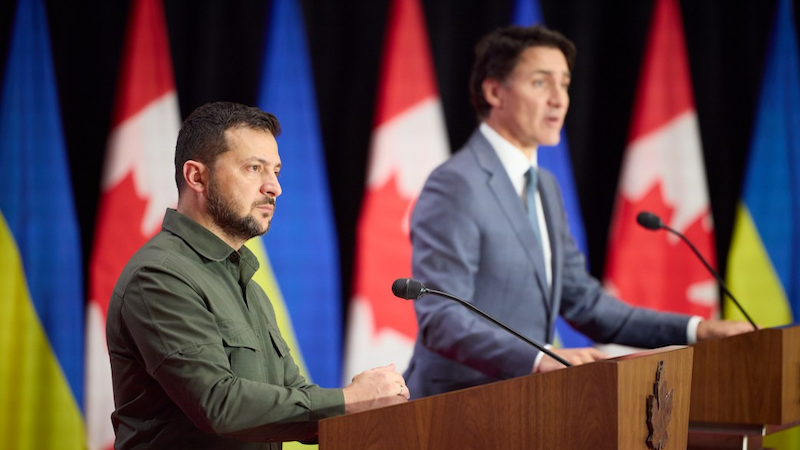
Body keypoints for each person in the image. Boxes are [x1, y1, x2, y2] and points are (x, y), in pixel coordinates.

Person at [403, 25, 753, 399]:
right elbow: (441, 318)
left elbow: (585, 305)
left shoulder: (546, 188)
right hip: (456, 407)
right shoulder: (457, 184)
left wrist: (696, 330)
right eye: (541, 83)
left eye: (565, 84)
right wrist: (539, 357)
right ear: (494, 92)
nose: (559, 99)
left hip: (521, 404)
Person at [106, 102, 409, 449]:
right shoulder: (159, 277)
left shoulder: (247, 285)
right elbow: (219, 405)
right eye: (254, 168)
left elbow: (293, 396)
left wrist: (371, 404)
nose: (275, 187)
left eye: (276, 171)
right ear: (197, 177)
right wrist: (350, 400)